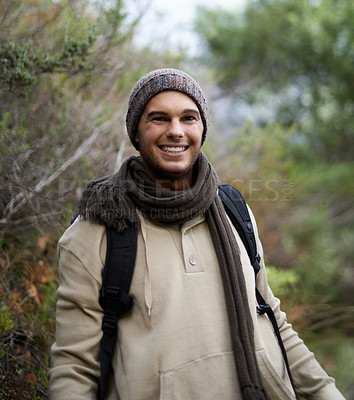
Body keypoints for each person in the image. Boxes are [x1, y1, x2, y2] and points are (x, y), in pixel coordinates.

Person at [49, 68, 346, 400]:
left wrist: (324, 391)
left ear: (201, 129)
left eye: (188, 118)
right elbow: (74, 367)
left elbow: (271, 319)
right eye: (159, 119)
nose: (175, 131)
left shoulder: (234, 211)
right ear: (136, 132)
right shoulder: (97, 229)